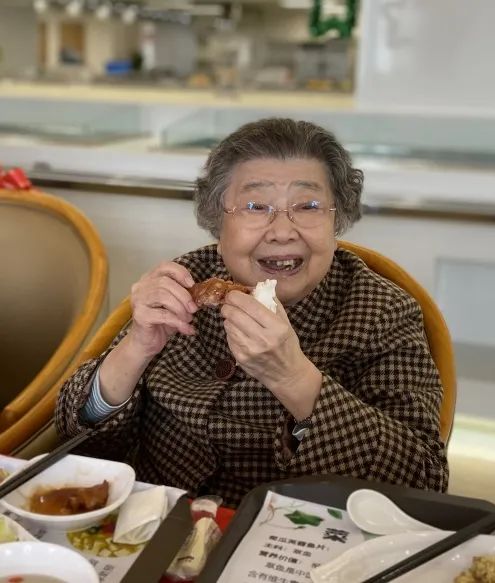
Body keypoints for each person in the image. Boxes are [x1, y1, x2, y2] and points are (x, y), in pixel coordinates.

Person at [56, 118, 448, 507]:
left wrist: (293, 377)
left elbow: (423, 480)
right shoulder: (186, 282)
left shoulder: (382, 311)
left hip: (287, 531)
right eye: (256, 207)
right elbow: (74, 434)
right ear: (218, 222)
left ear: (337, 220)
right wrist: (136, 348)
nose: (282, 232)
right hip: (153, 519)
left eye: (308, 206)